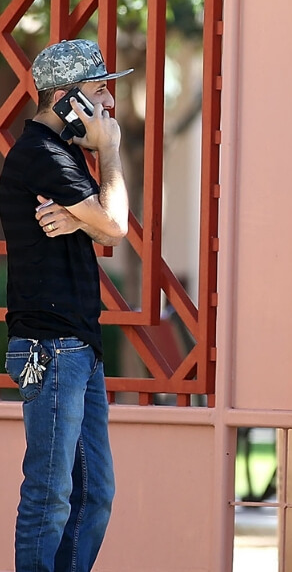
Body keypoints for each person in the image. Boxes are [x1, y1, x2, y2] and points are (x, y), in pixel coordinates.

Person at [0, 39, 132, 571]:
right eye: (99, 90)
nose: (107, 104)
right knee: (50, 497)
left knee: (94, 494)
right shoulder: (42, 154)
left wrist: (84, 216)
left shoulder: (63, 156)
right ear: (65, 99)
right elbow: (117, 226)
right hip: (51, 346)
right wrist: (112, 152)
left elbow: (106, 226)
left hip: (78, 345)